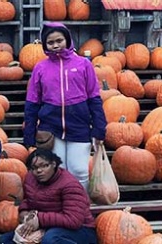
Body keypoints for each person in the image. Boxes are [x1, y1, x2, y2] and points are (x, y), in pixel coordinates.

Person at [23, 22, 106, 191]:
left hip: (79, 126)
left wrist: (99, 127)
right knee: (57, 172)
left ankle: (79, 207)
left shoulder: (83, 64)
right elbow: (32, 102)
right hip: (50, 130)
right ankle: (60, 209)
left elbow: (94, 98)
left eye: (59, 40)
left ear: (67, 40)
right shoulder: (40, 68)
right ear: (45, 45)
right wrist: (29, 133)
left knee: (79, 170)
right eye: (50, 42)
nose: (55, 45)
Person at [0, 149, 97, 244]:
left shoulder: (70, 184)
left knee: (50, 239)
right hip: (47, 225)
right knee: (6, 239)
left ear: (54, 164)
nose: (39, 170)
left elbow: (73, 220)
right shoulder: (30, 178)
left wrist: (40, 219)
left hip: (80, 230)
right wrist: (24, 212)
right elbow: (28, 200)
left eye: (44, 166)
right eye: (34, 168)